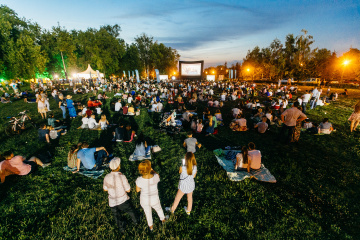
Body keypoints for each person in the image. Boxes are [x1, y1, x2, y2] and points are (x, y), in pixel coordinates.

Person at [103, 158, 139, 232]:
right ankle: (136, 221)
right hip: (122, 200)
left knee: (116, 216)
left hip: (112, 202)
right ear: (119, 166)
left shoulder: (106, 177)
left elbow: (105, 189)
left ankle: (121, 228)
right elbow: (128, 189)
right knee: (130, 210)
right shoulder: (122, 176)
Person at [136, 160, 166, 231]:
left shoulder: (139, 180)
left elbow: (137, 190)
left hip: (144, 200)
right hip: (154, 199)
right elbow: (158, 175)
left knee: (148, 213)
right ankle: (163, 220)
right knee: (159, 209)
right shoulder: (155, 177)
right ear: (150, 168)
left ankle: (151, 227)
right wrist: (153, 171)